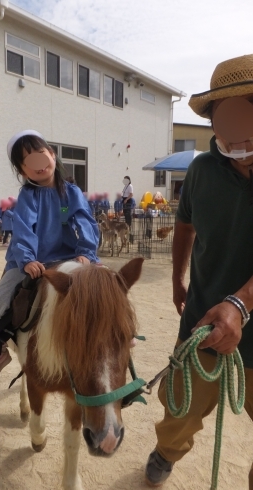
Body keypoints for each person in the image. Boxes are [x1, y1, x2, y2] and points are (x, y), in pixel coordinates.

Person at [145, 54, 253, 488]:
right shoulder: (201, 171)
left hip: (237, 314)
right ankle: (167, 451)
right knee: (180, 408)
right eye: (220, 117)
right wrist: (177, 279)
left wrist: (240, 304)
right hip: (203, 323)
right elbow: (185, 224)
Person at [0, 129, 99, 378]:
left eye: (40, 155)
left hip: (67, 255)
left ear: (52, 156)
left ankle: (116, 330)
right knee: (1, 295)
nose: (38, 165)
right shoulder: (29, 195)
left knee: (105, 281)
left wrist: (86, 252)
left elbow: (83, 222)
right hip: (30, 259)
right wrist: (27, 259)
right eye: (28, 161)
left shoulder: (70, 193)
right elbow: (24, 228)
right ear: (23, 171)